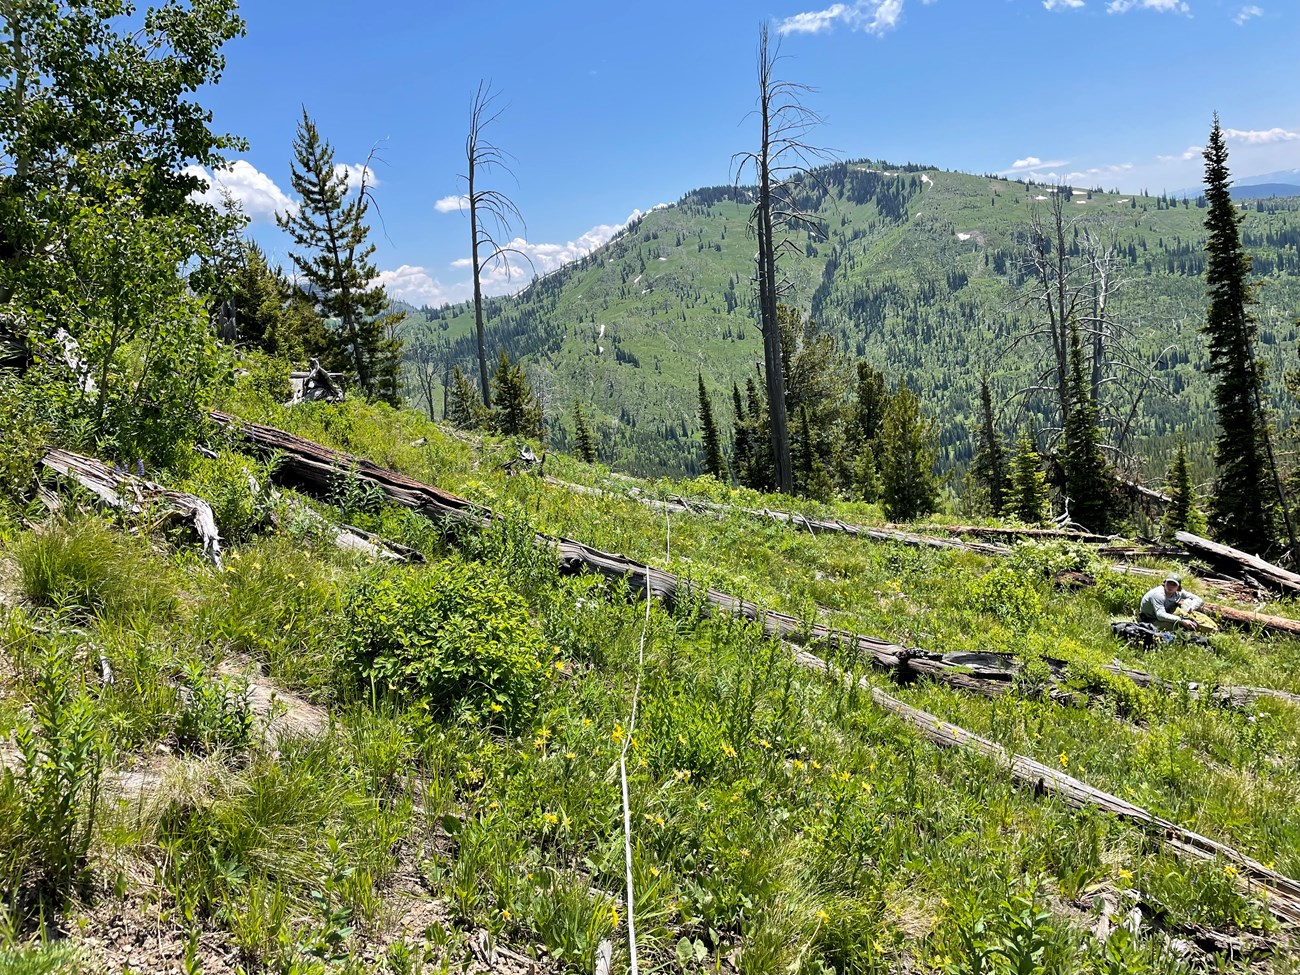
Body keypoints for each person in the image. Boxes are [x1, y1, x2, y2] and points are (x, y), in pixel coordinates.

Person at [1137, 573, 1204, 631]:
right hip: (1150, 619)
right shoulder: (1158, 594)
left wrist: (1192, 607)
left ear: (1178, 587)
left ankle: (1195, 625)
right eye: (1169, 583)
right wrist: (1181, 621)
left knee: (1188, 602)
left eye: (1174, 584)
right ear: (1164, 583)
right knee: (1179, 626)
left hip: (1166, 614)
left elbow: (1199, 599)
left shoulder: (1179, 593)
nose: (1170, 586)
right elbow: (1160, 615)